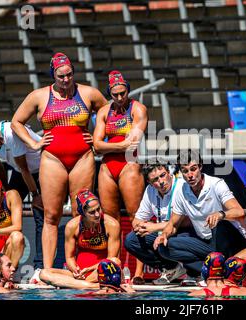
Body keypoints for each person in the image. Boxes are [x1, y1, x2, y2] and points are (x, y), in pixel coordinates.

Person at [11, 52, 108, 269]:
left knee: (79, 213)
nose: (65, 80)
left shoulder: (88, 93)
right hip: (53, 158)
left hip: (82, 158)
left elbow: (107, 113)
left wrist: (98, 137)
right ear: (53, 75)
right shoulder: (39, 96)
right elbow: (16, 122)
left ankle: (79, 266)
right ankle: (47, 270)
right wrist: (34, 143)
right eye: (60, 76)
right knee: (51, 215)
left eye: (69, 75)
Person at [154, 150, 246, 286]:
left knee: (219, 224)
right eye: (185, 171)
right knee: (164, 247)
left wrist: (221, 214)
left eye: (193, 169)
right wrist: (163, 235)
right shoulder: (182, 190)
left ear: (200, 167)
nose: (190, 175)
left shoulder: (216, 184)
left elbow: (239, 212)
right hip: (207, 244)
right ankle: (211, 272)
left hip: (233, 242)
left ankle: (214, 271)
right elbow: (173, 223)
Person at [93, 70, 148, 283]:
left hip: (129, 165)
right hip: (108, 167)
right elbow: (96, 146)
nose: (119, 98)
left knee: (136, 217)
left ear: (128, 90)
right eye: (114, 94)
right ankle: (113, 266)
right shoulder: (104, 112)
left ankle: (139, 272)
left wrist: (108, 146)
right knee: (110, 220)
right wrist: (118, 144)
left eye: (122, 93)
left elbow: (132, 143)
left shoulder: (138, 109)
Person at [0, 119, 44, 273]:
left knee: (40, 214)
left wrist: (35, 194)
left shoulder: (10, 134)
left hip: (43, 166)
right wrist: (3, 194)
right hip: (22, 172)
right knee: (5, 212)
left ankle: (40, 267)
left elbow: (24, 167)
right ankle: (6, 271)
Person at [39, 189, 120, 289]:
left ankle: (75, 284)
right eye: (92, 212)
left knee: (114, 261)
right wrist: (75, 270)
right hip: (78, 274)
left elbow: (109, 260)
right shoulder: (72, 226)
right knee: (44, 273)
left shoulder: (112, 225)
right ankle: (93, 286)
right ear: (83, 213)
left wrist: (89, 269)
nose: (97, 214)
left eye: (98, 209)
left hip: (99, 272)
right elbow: (69, 257)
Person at [124, 162, 190, 285]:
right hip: (163, 232)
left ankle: (194, 272)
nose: (161, 181)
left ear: (169, 173)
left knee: (174, 238)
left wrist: (154, 227)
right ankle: (171, 268)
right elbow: (137, 220)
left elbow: (187, 221)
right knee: (131, 240)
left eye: (163, 175)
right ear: (150, 183)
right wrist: (142, 227)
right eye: (155, 179)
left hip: (183, 231)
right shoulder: (150, 190)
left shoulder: (182, 186)